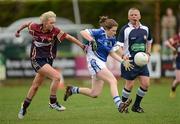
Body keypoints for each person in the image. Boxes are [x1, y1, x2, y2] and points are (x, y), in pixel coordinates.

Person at [15, 11, 86, 119]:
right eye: (51, 22)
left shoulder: (55, 31)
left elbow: (69, 37)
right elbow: (26, 24)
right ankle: (53, 102)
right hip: (36, 60)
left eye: (54, 22)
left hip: (48, 60)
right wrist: (18, 31)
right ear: (44, 22)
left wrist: (82, 46)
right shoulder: (34, 27)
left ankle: (24, 107)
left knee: (35, 87)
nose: (53, 25)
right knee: (57, 77)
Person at [63, 16, 133, 113]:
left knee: (94, 93)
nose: (115, 33)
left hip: (101, 63)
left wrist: (122, 61)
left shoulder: (112, 39)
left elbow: (111, 53)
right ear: (107, 29)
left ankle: (72, 90)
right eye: (113, 30)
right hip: (94, 62)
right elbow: (83, 32)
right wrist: (92, 40)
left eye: (115, 31)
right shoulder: (99, 32)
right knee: (112, 80)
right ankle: (119, 104)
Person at [117, 8, 153, 113]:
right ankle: (123, 106)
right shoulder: (125, 29)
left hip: (142, 61)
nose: (134, 16)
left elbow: (149, 42)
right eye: (132, 15)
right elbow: (118, 46)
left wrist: (148, 53)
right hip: (130, 61)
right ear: (128, 17)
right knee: (130, 85)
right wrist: (123, 56)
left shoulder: (146, 28)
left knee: (146, 84)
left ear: (140, 16)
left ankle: (136, 106)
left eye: (136, 15)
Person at [165, 32, 180, 98]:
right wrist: (173, 48)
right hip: (178, 60)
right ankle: (173, 89)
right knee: (178, 80)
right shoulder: (176, 38)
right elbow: (166, 43)